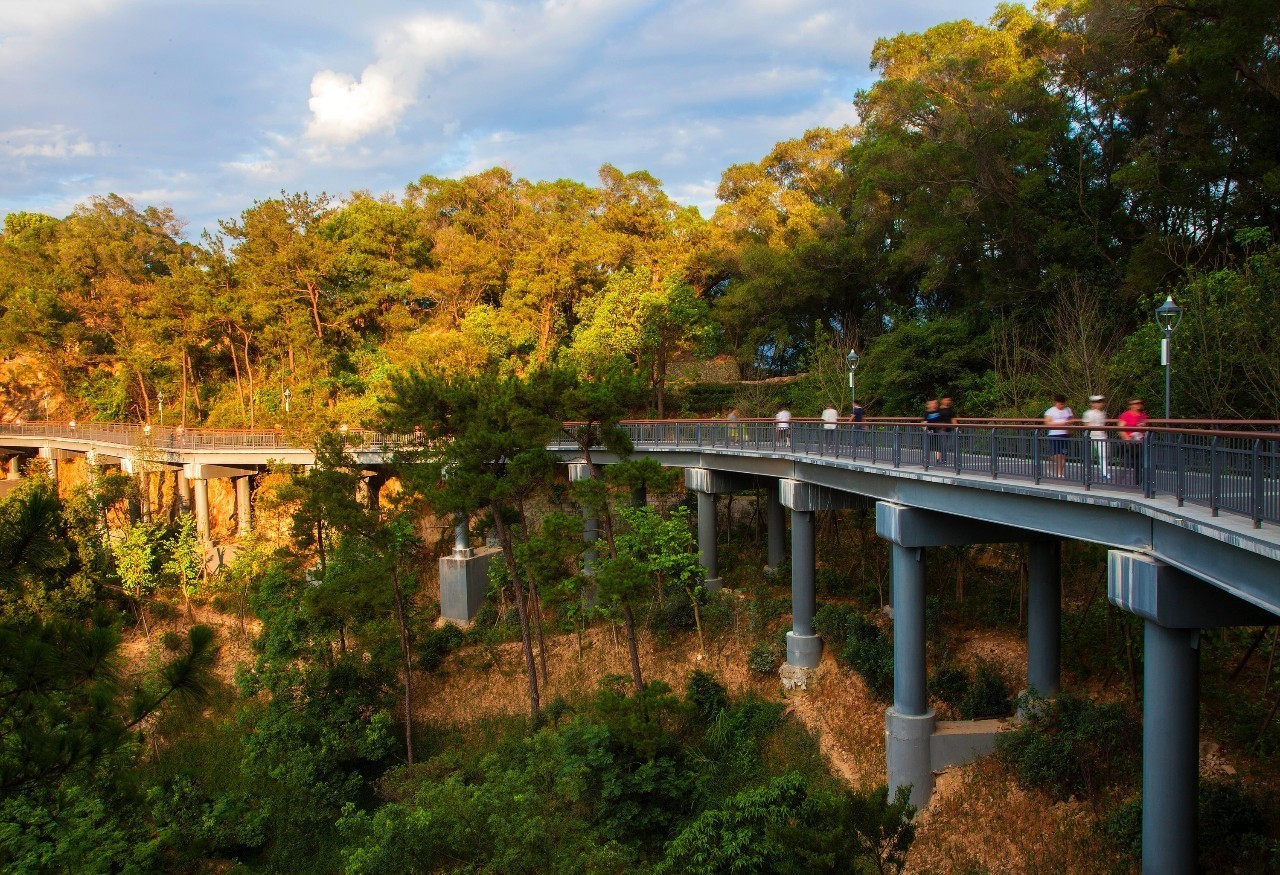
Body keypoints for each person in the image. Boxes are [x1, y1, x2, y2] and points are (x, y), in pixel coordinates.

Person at [1117, 398, 1149, 486]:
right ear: (1131, 405)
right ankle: (1130, 482)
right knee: (1134, 462)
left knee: (1140, 462)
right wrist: (1127, 439)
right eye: (1136, 403)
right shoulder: (1126, 415)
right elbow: (1121, 428)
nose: (1138, 405)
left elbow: (1145, 427)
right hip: (1130, 442)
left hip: (1140, 441)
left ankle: (1139, 482)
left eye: (1140, 403)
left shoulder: (1143, 415)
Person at [1043, 394, 1074, 478]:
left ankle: (1059, 473)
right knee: (1055, 455)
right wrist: (1061, 423)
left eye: (1063, 404)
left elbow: (1071, 420)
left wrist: (1070, 427)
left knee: (1063, 455)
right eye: (1059, 404)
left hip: (1064, 434)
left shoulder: (1068, 410)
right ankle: (1053, 464)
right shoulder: (1050, 411)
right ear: (1055, 403)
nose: (1061, 406)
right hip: (1054, 435)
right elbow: (1047, 423)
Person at [1082, 395, 1110, 480]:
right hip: (1091, 436)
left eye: (1100, 402)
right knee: (1089, 456)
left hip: (1101, 436)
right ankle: (1087, 472)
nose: (1099, 404)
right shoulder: (1088, 413)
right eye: (1097, 402)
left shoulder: (1103, 413)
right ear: (1093, 404)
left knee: (1103, 455)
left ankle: (1105, 473)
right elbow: (1086, 425)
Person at [936, 395, 956, 463]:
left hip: (949, 428)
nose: (947, 401)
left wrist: (957, 427)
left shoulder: (950, 410)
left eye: (949, 400)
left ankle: (942, 459)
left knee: (949, 444)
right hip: (941, 429)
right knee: (943, 444)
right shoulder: (938, 410)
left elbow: (953, 419)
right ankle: (941, 459)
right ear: (942, 400)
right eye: (946, 400)